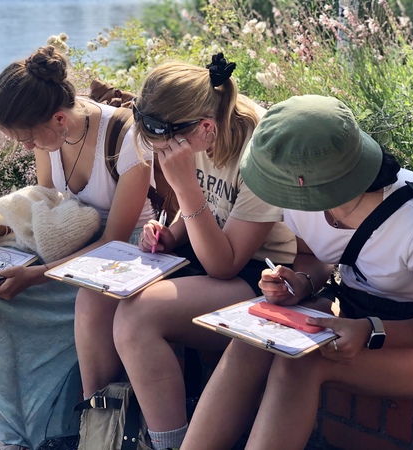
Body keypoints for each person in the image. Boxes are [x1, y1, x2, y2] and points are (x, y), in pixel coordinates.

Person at [181, 94, 413, 450]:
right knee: (252, 343)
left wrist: (370, 331)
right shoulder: (301, 201)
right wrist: (300, 283)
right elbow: (313, 258)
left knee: (301, 363)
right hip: (352, 315)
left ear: (307, 184)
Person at [0, 45, 154, 450]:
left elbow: (114, 242)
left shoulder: (125, 138)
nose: (26, 147)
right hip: (69, 253)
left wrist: (34, 276)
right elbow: (47, 206)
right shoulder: (52, 138)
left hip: (116, 264)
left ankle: (0, 436)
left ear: (58, 119)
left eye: (27, 138)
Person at [74, 54, 297, 450]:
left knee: (138, 317)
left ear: (206, 128)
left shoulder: (260, 151)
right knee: (94, 297)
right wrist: (170, 235)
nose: (164, 158)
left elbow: (225, 263)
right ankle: (99, 436)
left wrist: (185, 189)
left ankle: (167, 443)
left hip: (263, 273)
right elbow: (208, 211)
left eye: (167, 150)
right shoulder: (193, 127)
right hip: (209, 251)